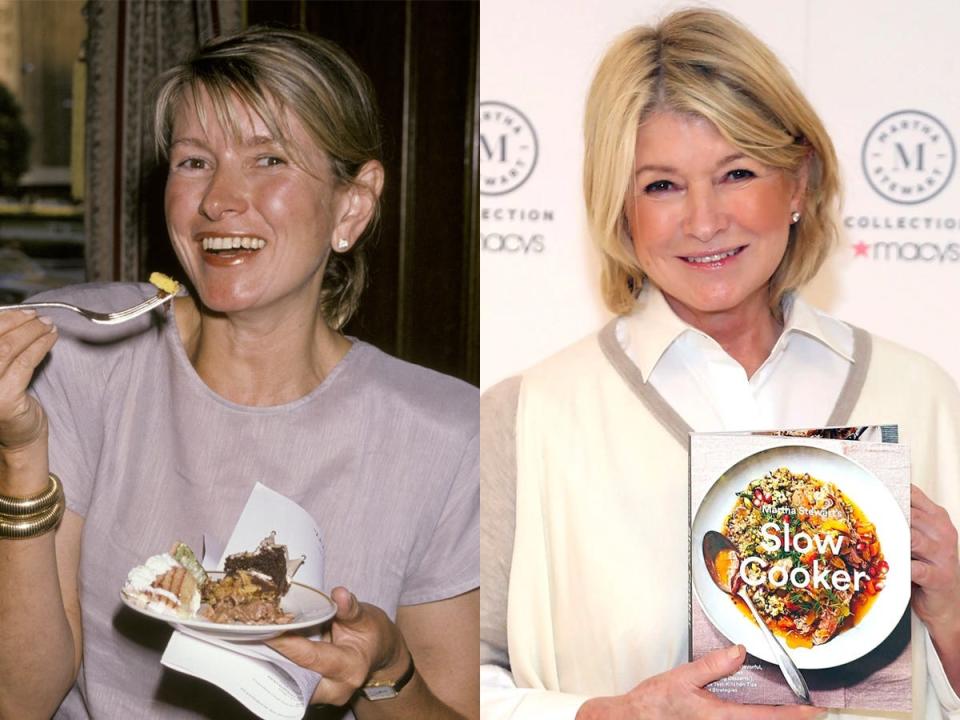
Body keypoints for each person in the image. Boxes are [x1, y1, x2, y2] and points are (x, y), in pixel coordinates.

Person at [480, 9, 960, 720]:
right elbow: (453, 688)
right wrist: (615, 714)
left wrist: (953, 614)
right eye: (662, 186)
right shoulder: (531, 414)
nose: (703, 221)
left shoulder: (917, 394)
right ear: (620, 206)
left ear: (798, 182)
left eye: (736, 173)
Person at [0, 27, 478, 719]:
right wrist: (18, 457)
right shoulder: (77, 355)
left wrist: (387, 669)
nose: (220, 199)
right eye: (194, 162)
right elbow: (18, 699)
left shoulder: (445, 436)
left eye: (268, 159)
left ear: (353, 203)